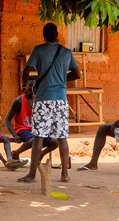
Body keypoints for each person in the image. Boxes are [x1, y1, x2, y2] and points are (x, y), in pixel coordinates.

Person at [18, 22, 80, 183]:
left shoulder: (38, 49)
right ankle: (65, 174)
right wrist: (61, 78)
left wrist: (25, 86)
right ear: (57, 34)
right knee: (62, 137)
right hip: (60, 100)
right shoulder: (67, 52)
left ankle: (32, 175)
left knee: (38, 137)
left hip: (43, 99)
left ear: (44, 35)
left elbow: (26, 70)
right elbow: (77, 74)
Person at [5, 77, 58, 162]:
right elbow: (7, 120)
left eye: (34, 86)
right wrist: (15, 135)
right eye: (30, 85)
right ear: (25, 86)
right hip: (22, 128)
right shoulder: (19, 100)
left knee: (55, 141)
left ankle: (41, 154)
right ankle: (16, 153)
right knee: (33, 140)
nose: (32, 88)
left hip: (35, 129)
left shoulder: (38, 99)